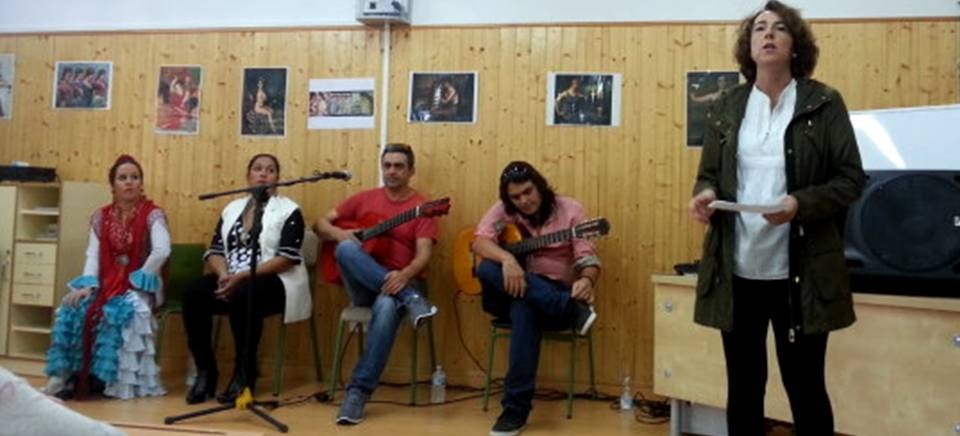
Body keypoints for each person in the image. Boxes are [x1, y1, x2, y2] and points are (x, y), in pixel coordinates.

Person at [687, 2, 866, 435]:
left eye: (779, 28)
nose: (768, 34)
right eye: (759, 29)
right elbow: (708, 175)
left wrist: (799, 204)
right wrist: (704, 196)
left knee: (804, 386)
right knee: (744, 387)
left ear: (794, 44)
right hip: (738, 271)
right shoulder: (727, 105)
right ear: (748, 47)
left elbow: (850, 180)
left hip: (800, 274)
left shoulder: (824, 102)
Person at [314, 143, 440, 425]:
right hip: (363, 286)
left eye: (399, 166)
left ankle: (357, 393)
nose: (392, 171)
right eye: (387, 165)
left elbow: (424, 256)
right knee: (345, 249)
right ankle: (411, 300)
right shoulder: (363, 198)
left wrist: (404, 275)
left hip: (401, 281)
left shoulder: (422, 208)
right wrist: (339, 233)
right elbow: (319, 224)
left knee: (385, 302)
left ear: (411, 171)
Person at [472, 161, 600, 436]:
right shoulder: (505, 209)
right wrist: (507, 259)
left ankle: (515, 410)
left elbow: (587, 258)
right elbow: (479, 242)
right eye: (516, 197)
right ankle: (573, 311)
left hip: (549, 293)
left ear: (540, 186)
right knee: (485, 267)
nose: (524, 201)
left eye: (528, 192)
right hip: (507, 293)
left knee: (524, 307)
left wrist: (587, 280)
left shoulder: (571, 211)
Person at [182, 153, 311, 404]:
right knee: (194, 292)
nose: (263, 174)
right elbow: (215, 250)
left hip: (274, 282)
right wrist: (223, 275)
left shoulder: (289, 210)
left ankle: (244, 373)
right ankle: (206, 371)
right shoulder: (231, 209)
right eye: (258, 169)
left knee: (245, 294)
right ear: (248, 176)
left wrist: (241, 277)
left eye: (270, 170)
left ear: (278, 179)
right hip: (232, 278)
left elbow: (287, 258)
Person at [45, 154, 170, 400]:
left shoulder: (153, 214)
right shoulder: (100, 217)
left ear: (141, 183)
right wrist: (87, 286)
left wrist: (138, 278)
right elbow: (93, 255)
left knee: (118, 312)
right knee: (73, 308)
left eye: (134, 177)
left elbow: (162, 250)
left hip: (140, 285)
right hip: (105, 284)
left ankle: (107, 381)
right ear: (112, 185)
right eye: (122, 178)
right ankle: (74, 376)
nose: (129, 182)